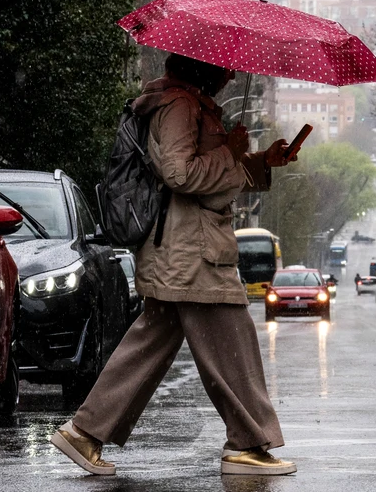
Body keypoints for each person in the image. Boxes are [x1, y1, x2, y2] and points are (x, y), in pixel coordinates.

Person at [50, 53, 299, 477]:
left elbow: (209, 176)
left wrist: (260, 161)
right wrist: (229, 152)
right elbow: (180, 175)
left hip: (183, 247)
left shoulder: (186, 105)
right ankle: (248, 443)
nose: (231, 74)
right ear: (204, 67)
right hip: (191, 251)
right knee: (232, 344)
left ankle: (85, 432)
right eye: (225, 67)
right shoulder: (180, 106)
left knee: (150, 344)